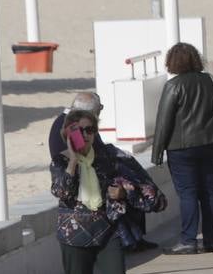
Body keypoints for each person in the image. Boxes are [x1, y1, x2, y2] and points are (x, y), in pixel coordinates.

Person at [52, 109, 166, 274]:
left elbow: (150, 193)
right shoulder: (59, 161)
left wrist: (124, 194)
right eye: (79, 131)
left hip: (108, 230)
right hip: (74, 235)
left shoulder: (111, 157)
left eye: (90, 130)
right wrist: (73, 159)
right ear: (68, 133)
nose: (86, 136)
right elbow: (61, 191)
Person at [48, 92, 156, 253]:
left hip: (88, 173)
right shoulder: (73, 126)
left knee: (131, 184)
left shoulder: (71, 122)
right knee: (128, 187)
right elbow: (84, 154)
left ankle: (133, 238)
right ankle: (129, 240)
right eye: (100, 110)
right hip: (82, 180)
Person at [153, 42, 213, 255]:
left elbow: (163, 121)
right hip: (210, 144)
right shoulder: (212, 82)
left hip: (182, 148)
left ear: (172, 62)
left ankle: (189, 240)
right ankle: (211, 240)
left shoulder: (173, 86)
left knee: (188, 193)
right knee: (208, 191)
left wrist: (157, 152)